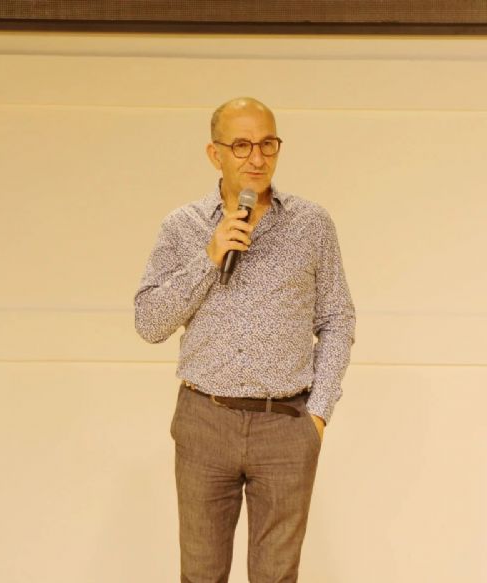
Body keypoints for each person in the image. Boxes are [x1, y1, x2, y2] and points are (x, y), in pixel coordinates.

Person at [134, 97, 355, 582]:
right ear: (214, 154)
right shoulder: (183, 226)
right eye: (241, 145)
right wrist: (209, 257)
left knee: (276, 576)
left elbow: (337, 318)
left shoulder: (311, 224)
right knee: (200, 573)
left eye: (267, 144)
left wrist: (318, 413)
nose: (256, 157)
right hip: (204, 421)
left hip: (287, 424)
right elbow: (149, 323)